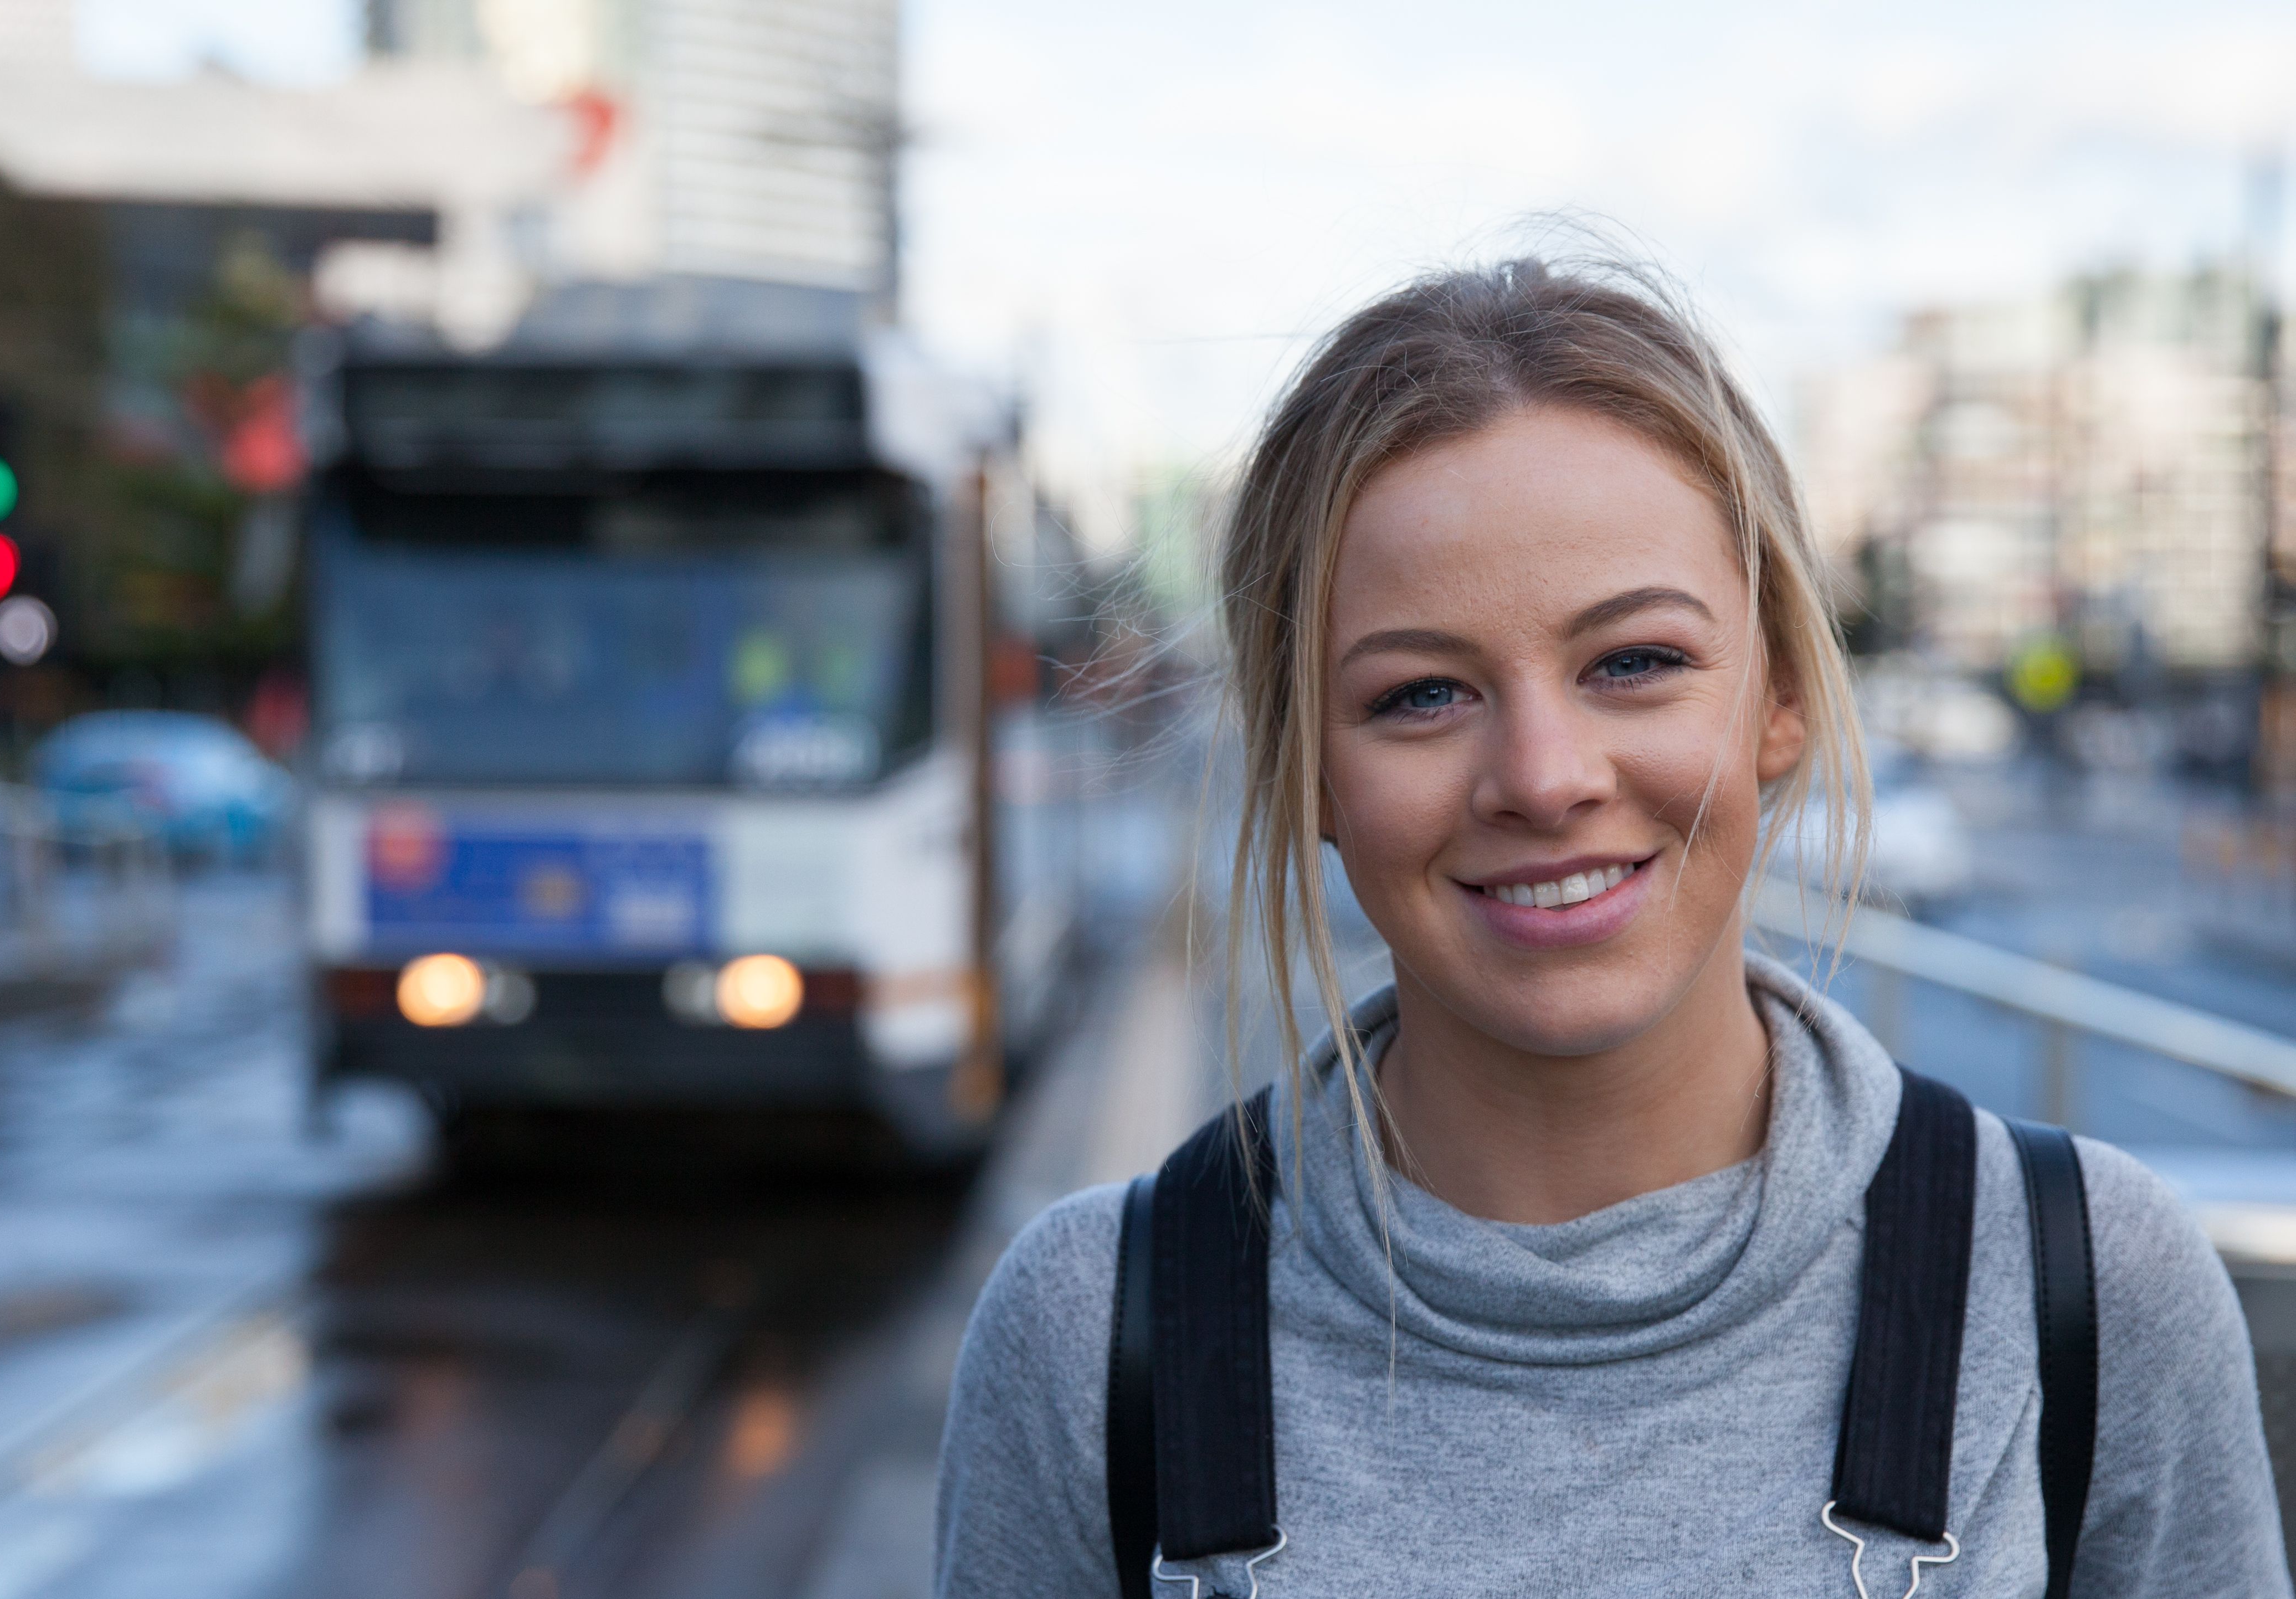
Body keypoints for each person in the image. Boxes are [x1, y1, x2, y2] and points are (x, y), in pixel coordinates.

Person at [933, 255, 2287, 1596]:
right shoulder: (1097, 1331)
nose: (1544, 774)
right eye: (1420, 694)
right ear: (1307, 776)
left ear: (1782, 700)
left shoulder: (2090, 1291)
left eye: (1634, 663)